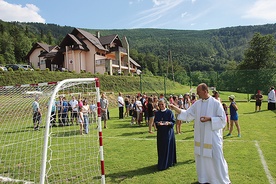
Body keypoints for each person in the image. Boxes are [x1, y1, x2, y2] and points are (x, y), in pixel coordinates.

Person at [169, 83, 231, 184]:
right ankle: (204, 179)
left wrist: (210, 119)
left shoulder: (216, 103)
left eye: (198, 92)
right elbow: (188, 114)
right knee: (201, 157)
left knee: (217, 158)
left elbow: (223, 120)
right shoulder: (197, 104)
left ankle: (221, 180)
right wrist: (175, 108)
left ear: (205, 91)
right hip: (200, 137)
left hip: (213, 138)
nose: (197, 94)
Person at [154, 99, 177, 171]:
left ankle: (168, 162)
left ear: (165, 104)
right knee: (161, 148)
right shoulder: (157, 113)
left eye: (162, 104)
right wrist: (158, 123)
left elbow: (173, 121)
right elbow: (156, 121)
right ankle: (161, 162)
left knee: (167, 147)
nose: (161, 106)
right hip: (161, 133)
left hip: (168, 132)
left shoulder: (169, 112)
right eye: (159, 105)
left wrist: (168, 123)